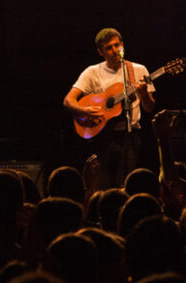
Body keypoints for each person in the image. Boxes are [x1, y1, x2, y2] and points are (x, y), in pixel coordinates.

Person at [63, 28, 155, 189]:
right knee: (102, 185)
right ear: (100, 52)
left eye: (117, 45)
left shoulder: (139, 70)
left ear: (123, 45)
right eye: (109, 48)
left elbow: (150, 108)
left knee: (126, 185)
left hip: (131, 136)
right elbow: (68, 101)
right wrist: (84, 111)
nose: (114, 50)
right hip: (102, 137)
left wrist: (144, 94)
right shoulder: (92, 72)